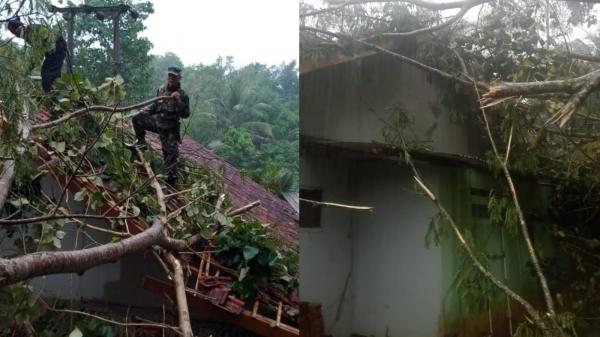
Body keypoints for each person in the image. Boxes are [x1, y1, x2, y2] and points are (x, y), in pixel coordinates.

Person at [127, 66, 190, 186]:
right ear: (167, 76)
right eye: (170, 76)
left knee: (170, 160)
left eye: (174, 77)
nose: (171, 78)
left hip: (170, 130)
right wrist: (147, 110)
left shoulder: (182, 95)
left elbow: (186, 114)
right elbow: (155, 107)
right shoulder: (161, 89)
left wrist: (178, 102)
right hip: (157, 123)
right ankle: (141, 144)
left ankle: (170, 184)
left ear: (179, 78)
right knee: (137, 119)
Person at [7, 17, 67, 93]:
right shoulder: (28, 33)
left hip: (57, 48)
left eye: (14, 32)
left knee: (47, 72)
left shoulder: (31, 31)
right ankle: (56, 94)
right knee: (52, 74)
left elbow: (38, 54)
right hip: (53, 50)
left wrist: (27, 70)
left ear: (19, 28)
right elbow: (38, 54)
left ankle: (51, 95)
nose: (16, 35)